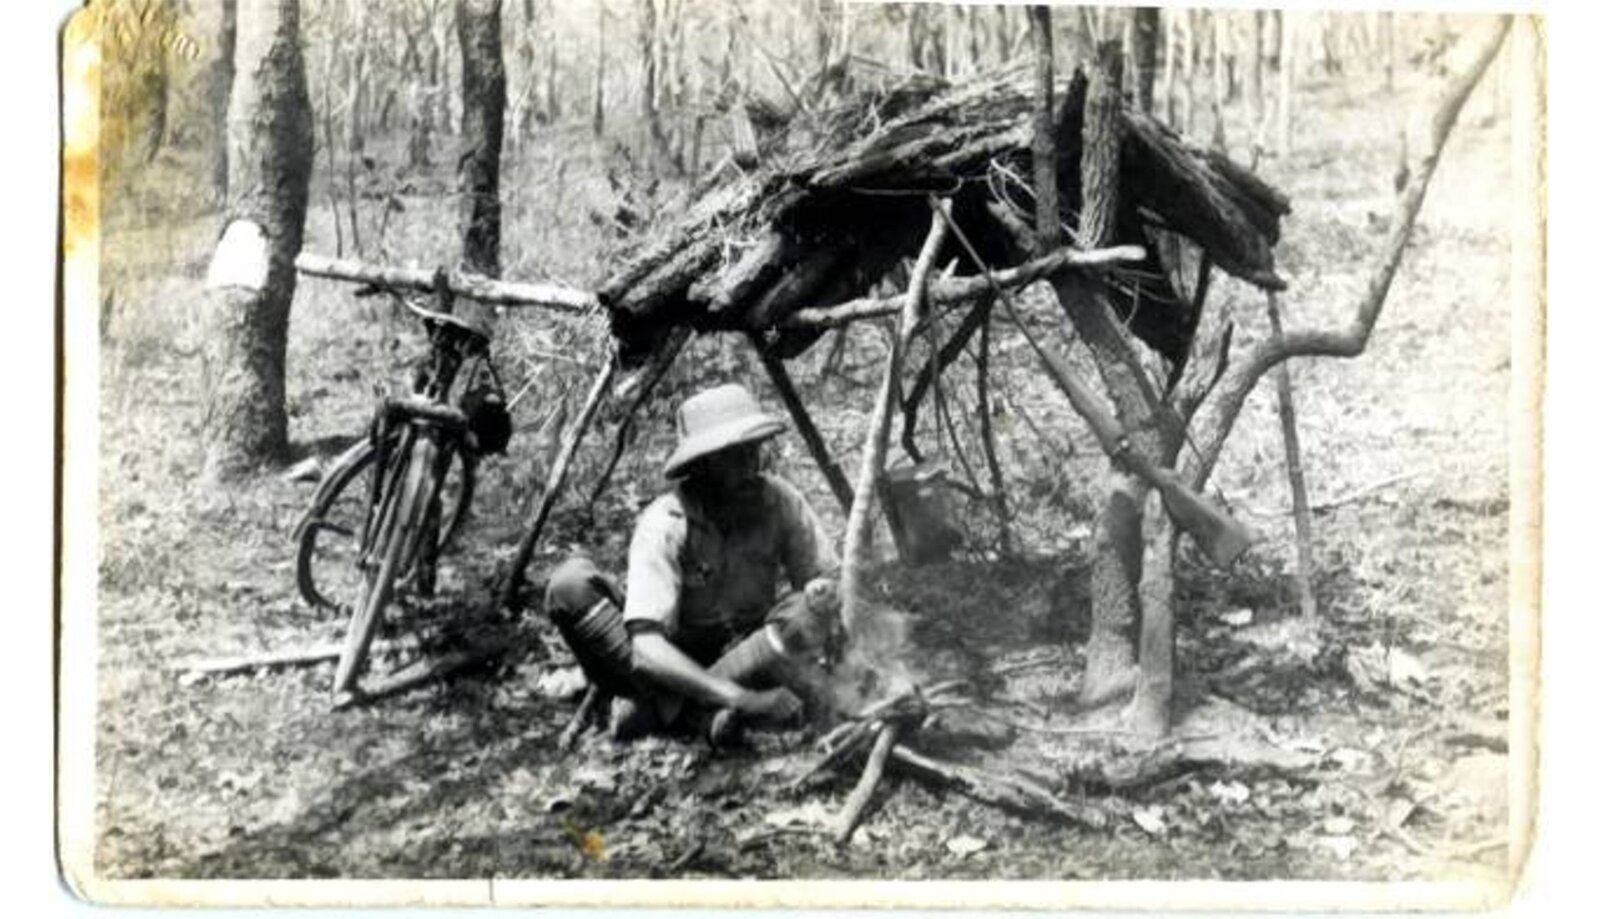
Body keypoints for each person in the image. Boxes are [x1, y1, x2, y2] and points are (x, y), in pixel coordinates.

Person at [543, 383, 842, 744]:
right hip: (671, 661)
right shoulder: (666, 523)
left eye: (753, 450)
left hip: (747, 653)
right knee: (569, 586)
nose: (750, 465)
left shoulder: (778, 499)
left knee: (804, 613)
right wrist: (745, 700)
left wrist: (823, 590)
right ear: (702, 466)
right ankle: (695, 714)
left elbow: (823, 579)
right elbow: (648, 649)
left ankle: (667, 713)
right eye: (734, 456)